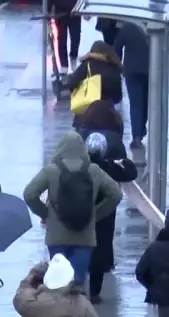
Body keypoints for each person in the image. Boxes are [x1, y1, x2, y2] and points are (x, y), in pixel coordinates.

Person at [22, 131, 123, 287]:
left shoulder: (51, 170)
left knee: (58, 282)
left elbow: (29, 194)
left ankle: (59, 309)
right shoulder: (93, 170)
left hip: (57, 235)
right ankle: (76, 307)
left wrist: (47, 214)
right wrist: (96, 214)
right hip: (84, 236)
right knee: (77, 283)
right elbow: (116, 194)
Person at [76, 112, 138, 300]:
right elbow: (130, 173)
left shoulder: (77, 168)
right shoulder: (109, 167)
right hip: (103, 216)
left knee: (79, 248)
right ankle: (95, 293)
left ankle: (78, 287)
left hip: (79, 215)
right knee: (101, 248)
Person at [113, 19, 150, 148]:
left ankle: (137, 136)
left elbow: (117, 48)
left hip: (132, 72)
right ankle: (140, 129)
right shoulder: (151, 24)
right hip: (150, 70)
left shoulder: (127, 28)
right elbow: (163, 44)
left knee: (135, 104)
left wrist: (117, 66)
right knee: (146, 103)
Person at [65, 41, 125, 110]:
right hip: (111, 106)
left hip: (93, 105)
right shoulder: (115, 65)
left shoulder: (88, 63)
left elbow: (72, 83)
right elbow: (118, 95)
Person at [49, 0, 83, 72]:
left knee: (76, 38)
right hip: (60, 11)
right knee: (61, 39)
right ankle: (64, 64)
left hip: (75, 11)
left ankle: (73, 56)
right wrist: (49, 9)